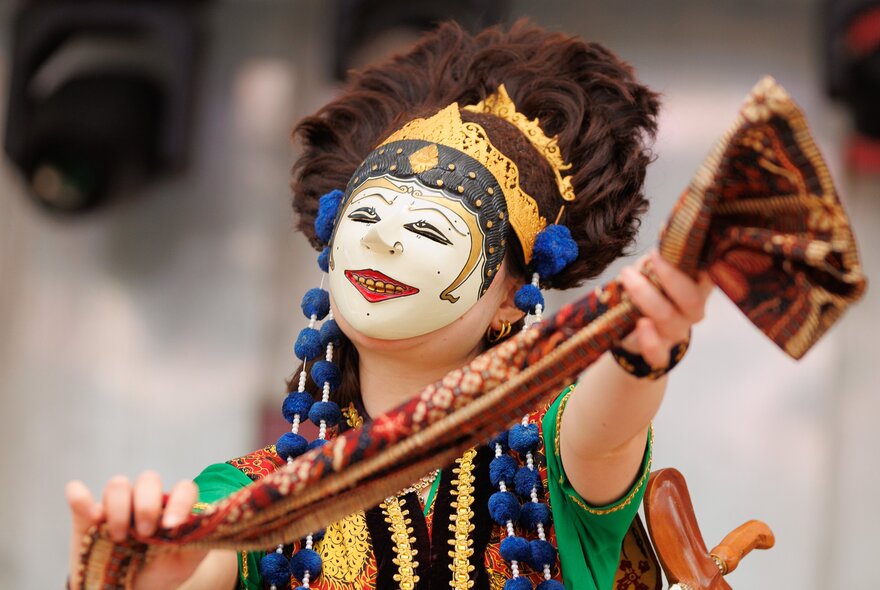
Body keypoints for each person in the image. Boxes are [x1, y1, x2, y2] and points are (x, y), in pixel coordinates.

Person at [66, 21, 713, 590]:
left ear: (511, 302)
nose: (381, 238)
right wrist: (124, 576)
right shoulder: (253, 493)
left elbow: (613, 414)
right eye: (367, 214)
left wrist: (644, 342)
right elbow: (193, 568)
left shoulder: (548, 465)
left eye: (430, 229)